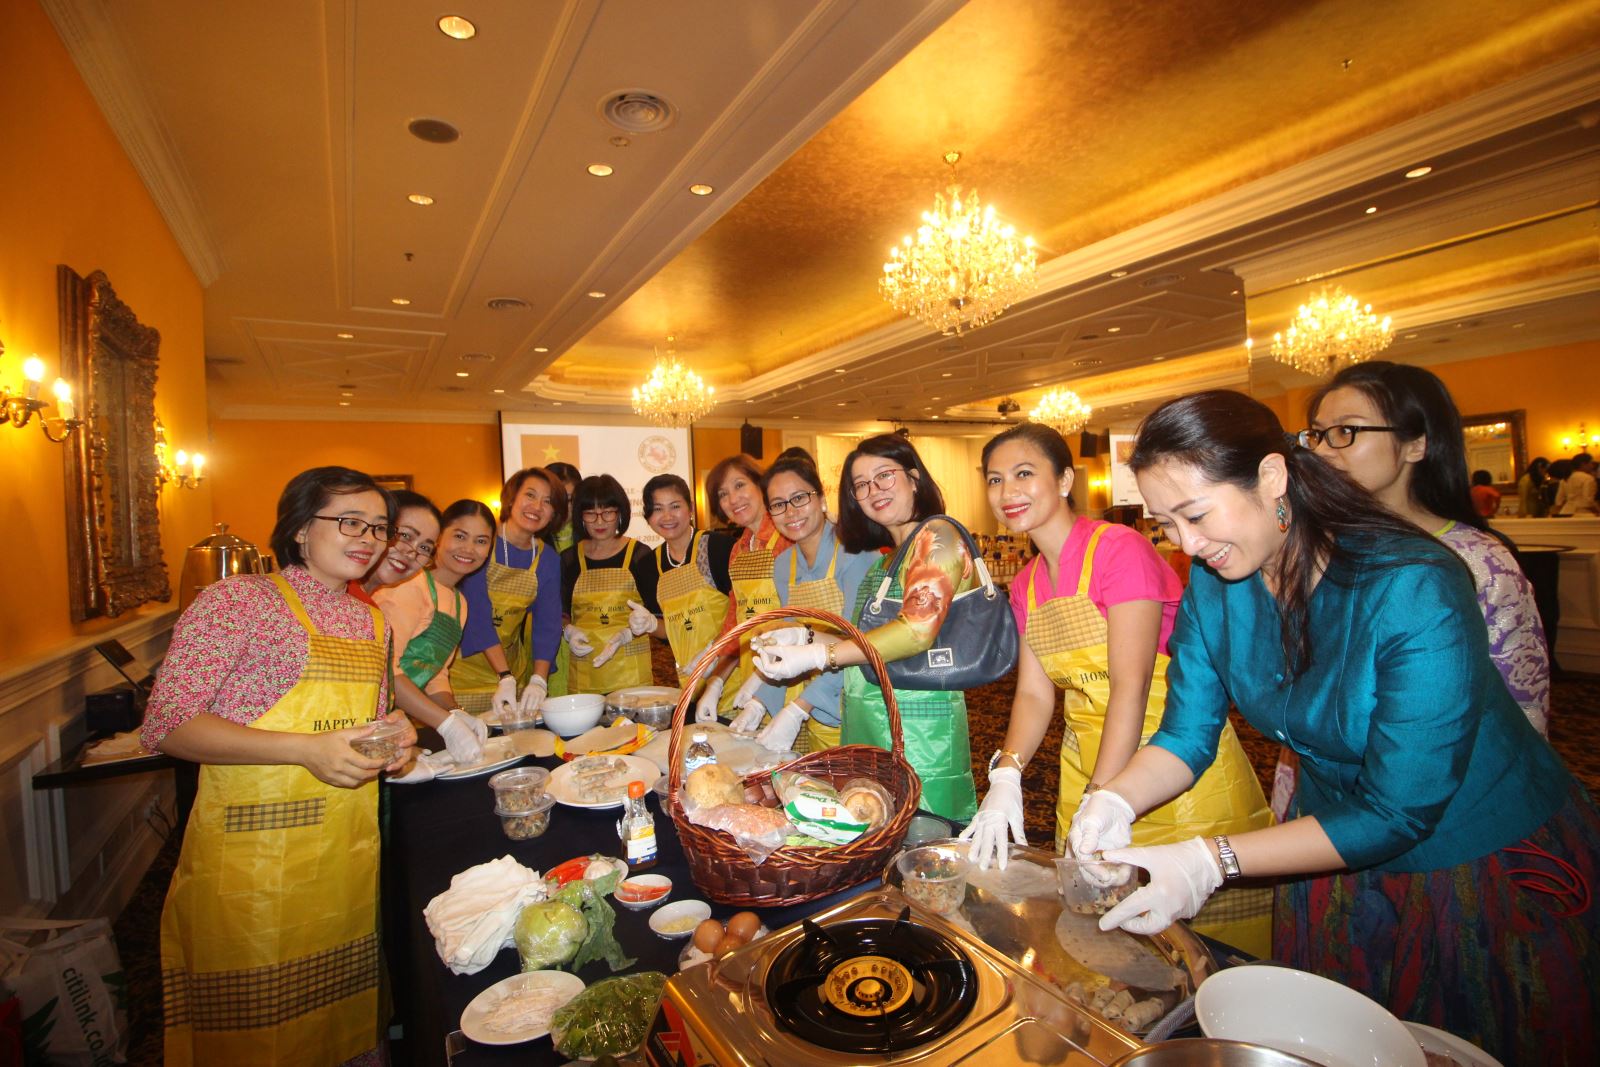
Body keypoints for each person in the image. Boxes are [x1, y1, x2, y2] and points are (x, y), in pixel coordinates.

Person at [1071, 391, 1598, 1065]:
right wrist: (1114, 799)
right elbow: (1186, 734)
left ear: (1272, 477)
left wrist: (1212, 860)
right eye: (1166, 522)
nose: (1187, 544)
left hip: (1476, 858)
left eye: (1195, 514)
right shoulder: (1215, 583)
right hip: (1329, 846)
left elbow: (1400, 809)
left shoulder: (1412, 583)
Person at [962, 423, 1274, 954]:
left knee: (1200, 942)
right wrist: (1007, 773)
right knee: (1104, 939)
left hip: (1171, 762)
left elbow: (1132, 686)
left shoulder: (1118, 549)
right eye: (995, 479)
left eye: (1024, 473)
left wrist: (1101, 797)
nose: (1007, 490)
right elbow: (1035, 695)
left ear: (1064, 480)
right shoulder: (1028, 582)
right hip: (1086, 759)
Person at [143, 466, 417, 1065]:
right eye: (350, 522)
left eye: (379, 527)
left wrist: (399, 740)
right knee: (253, 1036)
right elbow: (168, 724)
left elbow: (368, 726)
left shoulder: (372, 621)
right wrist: (304, 748)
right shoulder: (238, 602)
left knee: (341, 1028)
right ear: (298, 528)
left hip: (342, 859)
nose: (369, 539)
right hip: (253, 869)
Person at [1305, 361, 1548, 734]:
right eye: (1318, 434)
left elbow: (1522, 702)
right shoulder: (1321, 546)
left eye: (1346, 430)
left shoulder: (1479, 560)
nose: (1322, 451)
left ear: (1416, 444)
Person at [753, 434, 982, 821]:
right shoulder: (884, 564)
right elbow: (863, 642)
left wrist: (819, 653)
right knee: (870, 829)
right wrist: (804, 635)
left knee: (923, 837)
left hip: (918, 730)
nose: (873, 490)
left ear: (914, 478)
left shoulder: (939, 538)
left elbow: (915, 631)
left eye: (884, 476)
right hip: (867, 722)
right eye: (861, 484)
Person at [755, 455, 877, 754]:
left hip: (857, 705)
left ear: (821, 499)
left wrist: (800, 707)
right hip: (813, 706)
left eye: (799, 498)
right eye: (778, 504)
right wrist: (760, 699)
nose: (790, 512)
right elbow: (789, 643)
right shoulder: (783, 565)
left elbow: (859, 646)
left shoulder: (857, 555)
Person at [370, 497, 492, 764]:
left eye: (481, 541)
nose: (469, 549)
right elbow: (385, 670)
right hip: (373, 720)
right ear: (439, 539)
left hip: (402, 721)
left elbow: (436, 673)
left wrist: (454, 711)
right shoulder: (407, 586)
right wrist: (446, 723)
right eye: (460, 536)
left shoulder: (459, 602)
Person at [451, 469, 564, 720]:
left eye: (547, 501)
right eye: (530, 495)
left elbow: (547, 624)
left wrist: (539, 679)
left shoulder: (547, 558)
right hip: (461, 671)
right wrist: (504, 675)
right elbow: (477, 614)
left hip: (512, 671)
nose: (537, 506)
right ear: (512, 498)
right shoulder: (482, 542)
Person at [694, 454, 790, 725]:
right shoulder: (738, 549)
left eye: (739, 485)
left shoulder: (788, 537)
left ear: (761, 485)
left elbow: (799, 620)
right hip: (751, 671)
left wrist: (763, 677)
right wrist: (715, 681)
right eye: (723, 494)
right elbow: (734, 624)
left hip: (789, 676)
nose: (733, 499)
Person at [632, 473, 736, 687]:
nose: (667, 516)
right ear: (648, 516)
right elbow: (669, 632)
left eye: (675, 506)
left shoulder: (719, 548)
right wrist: (651, 624)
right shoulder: (648, 566)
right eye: (658, 509)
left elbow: (742, 612)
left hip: (732, 670)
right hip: (689, 680)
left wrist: (712, 651)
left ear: (690, 508)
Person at [561, 474, 654, 692]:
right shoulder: (569, 559)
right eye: (591, 514)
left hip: (631, 675)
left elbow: (657, 615)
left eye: (608, 512)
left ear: (620, 513)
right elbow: (560, 611)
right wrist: (567, 630)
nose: (600, 521)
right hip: (585, 675)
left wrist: (630, 632)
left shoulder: (640, 555)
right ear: (580, 516)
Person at [543, 462, 583, 696]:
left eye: (570, 500)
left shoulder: (591, 538)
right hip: (544, 637)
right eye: (557, 500)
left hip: (585, 633)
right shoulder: (533, 541)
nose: (564, 508)